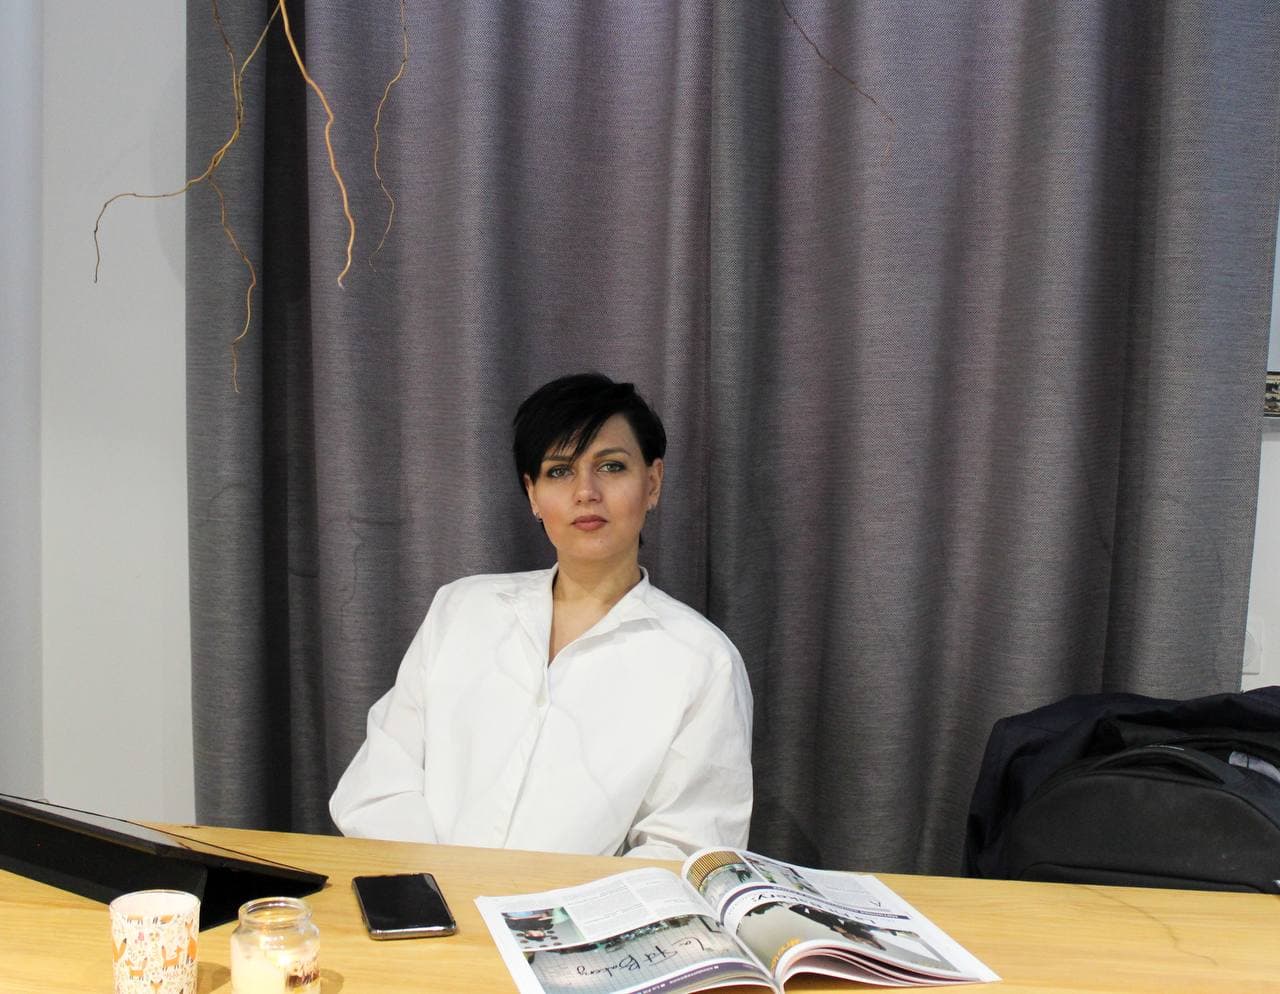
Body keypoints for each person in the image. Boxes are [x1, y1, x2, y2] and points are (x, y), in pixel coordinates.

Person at [329, 373, 754, 860]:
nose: (586, 491)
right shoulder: (461, 610)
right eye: (559, 471)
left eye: (611, 466)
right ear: (532, 494)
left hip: (583, 910)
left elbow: (686, 849)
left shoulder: (702, 661)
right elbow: (380, 783)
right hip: (423, 896)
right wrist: (436, 885)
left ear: (652, 482)